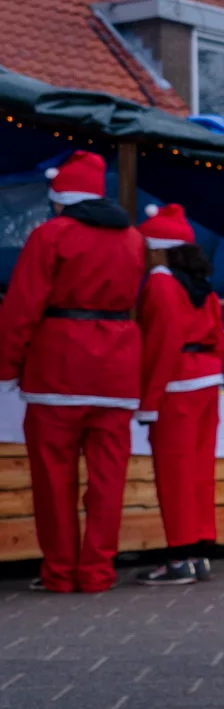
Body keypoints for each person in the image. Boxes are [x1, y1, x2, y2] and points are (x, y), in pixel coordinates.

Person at [0, 151, 146, 592]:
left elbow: (21, 307)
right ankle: (98, 572)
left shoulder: (50, 235)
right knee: (109, 480)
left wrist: (7, 367)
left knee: (53, 479)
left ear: (62, 198)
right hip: (117, 371)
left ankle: (60, 573)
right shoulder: (135, 240)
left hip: (58, 370)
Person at [133, 204, 224, 585]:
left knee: (174, 473)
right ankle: (200, 551)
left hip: (175, 387)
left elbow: (161, 344)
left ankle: (178, 558)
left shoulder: (160, 284)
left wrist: (148, 401)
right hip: (206, 383)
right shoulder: (203, 286)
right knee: (199, 472)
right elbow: (220, 338)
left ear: (156, 248)